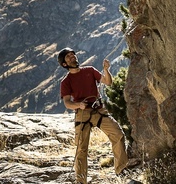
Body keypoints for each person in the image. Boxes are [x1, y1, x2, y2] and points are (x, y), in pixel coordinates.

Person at [58, 48, 138, 182]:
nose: (72, 57)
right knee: (81, 149)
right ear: (64, 64)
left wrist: (106, 70)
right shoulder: (66, 82)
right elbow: (67, 103)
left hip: (99, 111)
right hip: (82, 114)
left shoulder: (89, 70)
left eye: (72, 54)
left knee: (118, 135)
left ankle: (121, 171)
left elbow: (108, 82)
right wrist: (78, 105)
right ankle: (81, 181)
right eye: (68, 57)